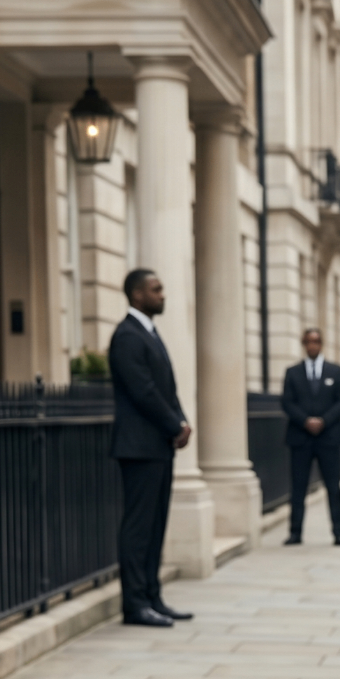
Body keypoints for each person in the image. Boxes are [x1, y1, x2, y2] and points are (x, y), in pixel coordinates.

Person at [108, 268, 193, 628]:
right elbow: (143, 390)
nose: (163, 295)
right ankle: (135, 604)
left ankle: (153, 596)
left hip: (157, 445)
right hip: (138, 447)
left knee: (156, 526)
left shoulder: (149, 333)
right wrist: (175, 425)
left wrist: (181, 420)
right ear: (137, 294)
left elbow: (165, 388)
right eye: (156, 289)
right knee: (139, 528)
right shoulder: (127, 336)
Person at [280, 328, 340, 546]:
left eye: (316, 341)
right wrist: (306, 421)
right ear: (304, 344)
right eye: (309, 341)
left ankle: (338, 532)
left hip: (328, 438)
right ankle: (295, 532)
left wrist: (323, 421)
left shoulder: (335, 371)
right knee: (298, 487)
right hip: (300, 438)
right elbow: (287, 402)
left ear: (321, 344)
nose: (312, 345)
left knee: (333, 486)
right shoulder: (292, 372)